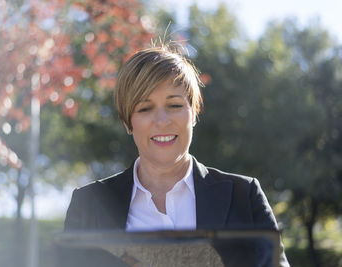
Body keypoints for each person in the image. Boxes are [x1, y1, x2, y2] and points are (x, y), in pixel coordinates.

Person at [64, 44, 289, 266]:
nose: (162, 121)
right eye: (145, 108)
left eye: (174, 105)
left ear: (194, 113)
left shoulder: (245, 197)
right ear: (127, 122)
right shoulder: (89, 205)